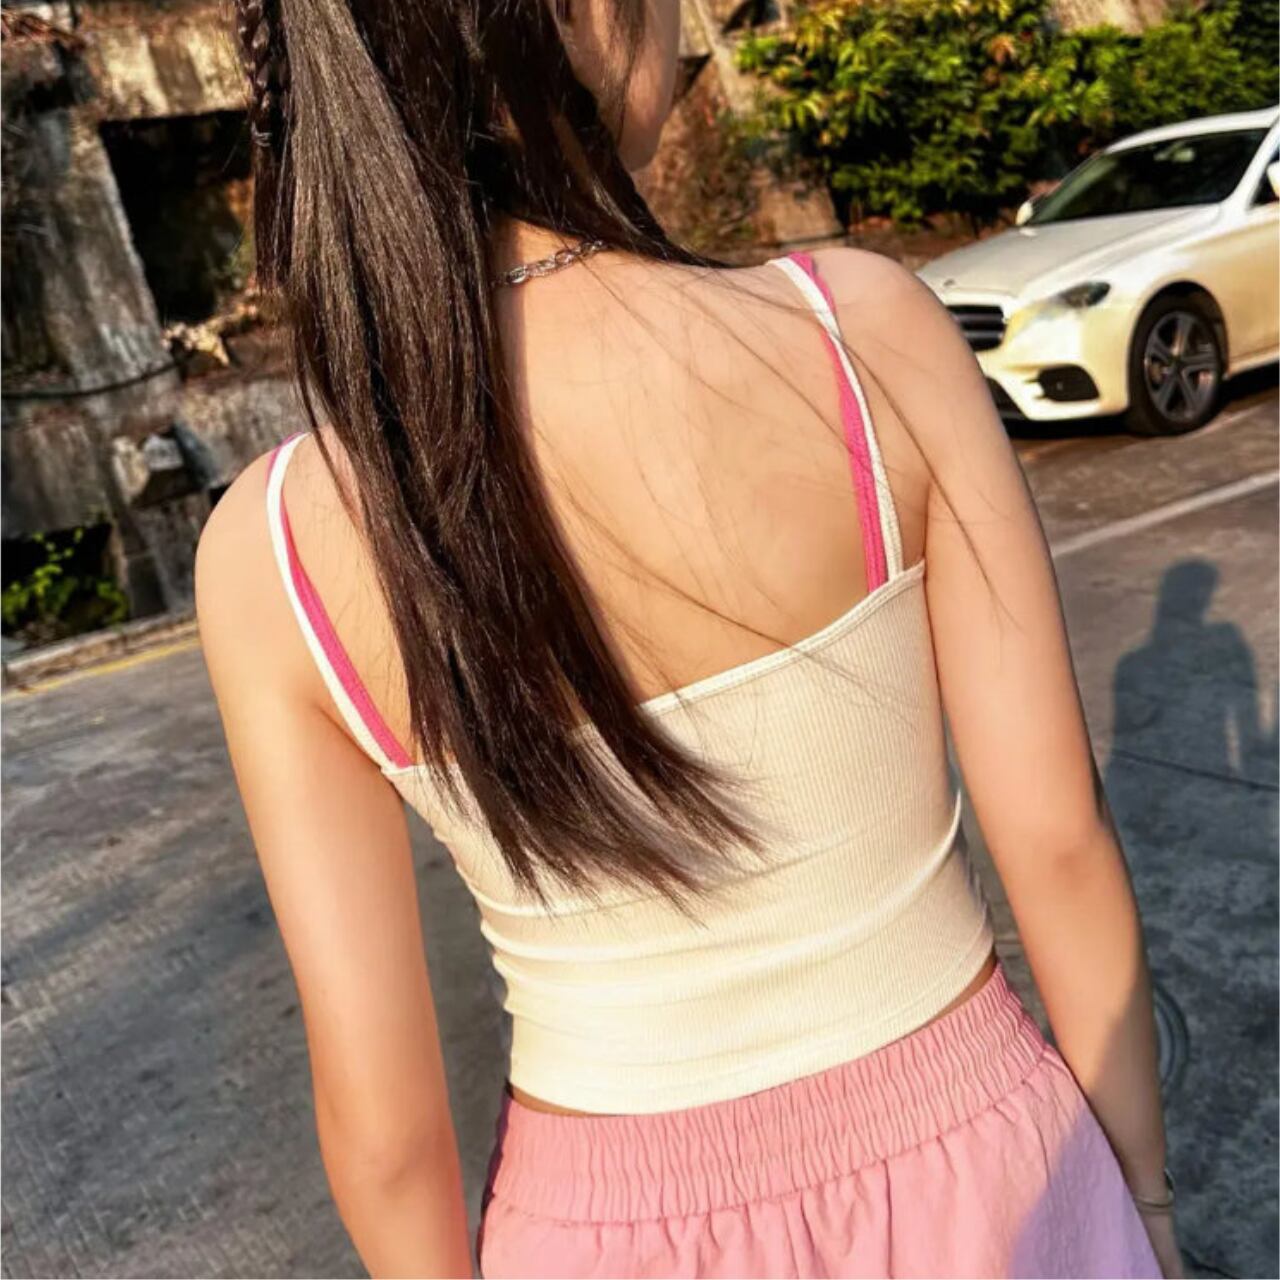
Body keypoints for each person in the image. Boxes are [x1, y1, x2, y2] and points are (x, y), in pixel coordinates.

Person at [196, 0, 1180, 1276]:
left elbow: (384, 1135)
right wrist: (1143, 1208)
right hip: (988, 1178)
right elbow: (1055, 840)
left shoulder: (270, 546)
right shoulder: (859, 333)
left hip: (592, 1231)